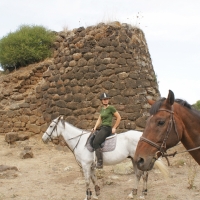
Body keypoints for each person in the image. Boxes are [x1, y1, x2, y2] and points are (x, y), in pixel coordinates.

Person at [92, 92, 121, 168]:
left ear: (108, 100)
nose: (105, 100)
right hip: (102, 127)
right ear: (101, 100)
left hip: (107, 128)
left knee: (95, 143)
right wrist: (95, 127)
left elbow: (119, 117)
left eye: (106, 99)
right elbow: (99, 119)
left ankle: (100, 163)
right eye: (104, 99)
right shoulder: (102, 109)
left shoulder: (111, 108)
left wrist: (114, 127)